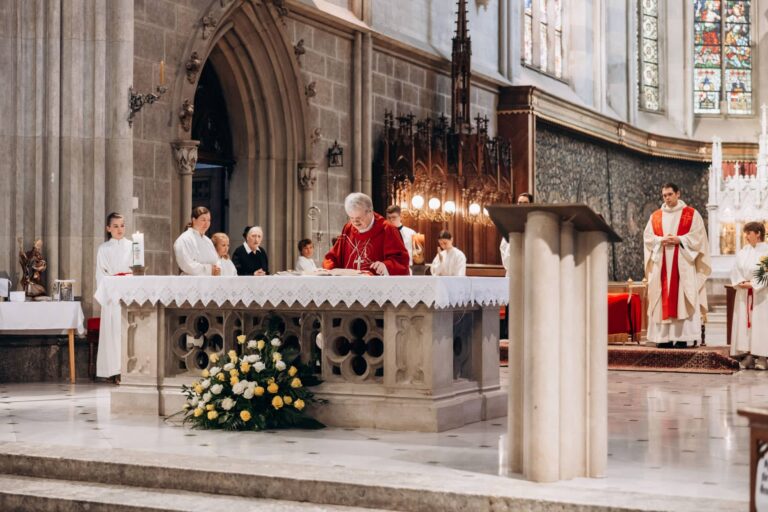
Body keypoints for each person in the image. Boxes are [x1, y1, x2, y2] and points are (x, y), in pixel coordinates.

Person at [643, 183, 711, 348]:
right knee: (661, 298)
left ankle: (681, 337)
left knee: (682, 297)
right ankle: (663, 338)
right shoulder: (656, 216)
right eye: (664, 195)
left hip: (683, 264)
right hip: (662, 265)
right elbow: (648, 238)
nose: (667, 198)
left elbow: (698, 237)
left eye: (670, 194)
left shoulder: (691, 215)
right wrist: (661, 240)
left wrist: (680, 239)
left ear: (678, 194)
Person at [323, 192, 409, 275]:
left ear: (370, 212)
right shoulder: (348, 229)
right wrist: (330, 270)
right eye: (351, 218)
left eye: (359, 218)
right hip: (349, 286)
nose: (355, 222)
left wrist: (386, 266)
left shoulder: (387, 230)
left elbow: (401, 261)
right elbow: (333, 257)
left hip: (377, 287)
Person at [95, 212, 134, 381]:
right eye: (115, 226)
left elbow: (137, 270)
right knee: (113, 334)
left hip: (128, 295)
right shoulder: (104, 249)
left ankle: (129, 370)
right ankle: (114, 370)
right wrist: (114, 287)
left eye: (122, 225)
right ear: (108, 228)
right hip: (112, 297)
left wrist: (127, 282)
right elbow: (101, 274)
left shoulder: (133, 246)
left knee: (127, 332)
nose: (119, 229)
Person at [729, 222, 768, 370]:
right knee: (746, 326)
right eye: (745, 233)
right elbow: (735, 269)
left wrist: (754, 284)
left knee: (761, 325)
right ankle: (749, 356)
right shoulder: (743, 251)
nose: (745, 236)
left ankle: (763, 358)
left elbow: (766, 271)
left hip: (761, 295)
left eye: (748, 233)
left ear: (758, 233)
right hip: (744, 293)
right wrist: (740, 282)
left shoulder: (766, 251)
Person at [173, 206, 221, 276]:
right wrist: (209, 269)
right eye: (203, 220)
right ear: (194, 220)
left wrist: (217, 268)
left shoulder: (208, 241)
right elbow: (187, 265)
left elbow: (216, 260)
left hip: (210, 282)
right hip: (192, 283)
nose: (206, 223)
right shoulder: (184, 239)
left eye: (209, 220)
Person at [500, 192, 533, 275]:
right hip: (512, 270)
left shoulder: (535, 223)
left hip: (530, 270)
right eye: (520, 203)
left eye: (525, 203)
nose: (521, 205)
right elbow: (504, 247)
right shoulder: (510, 223)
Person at [385, 205, 417, 269]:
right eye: (389, 218)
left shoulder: (411, 233)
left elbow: (416, 254)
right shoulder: (384, 234)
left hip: (407, 268)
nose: (391, 220)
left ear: (400, 217)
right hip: (390, 269)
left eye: (394, 217)